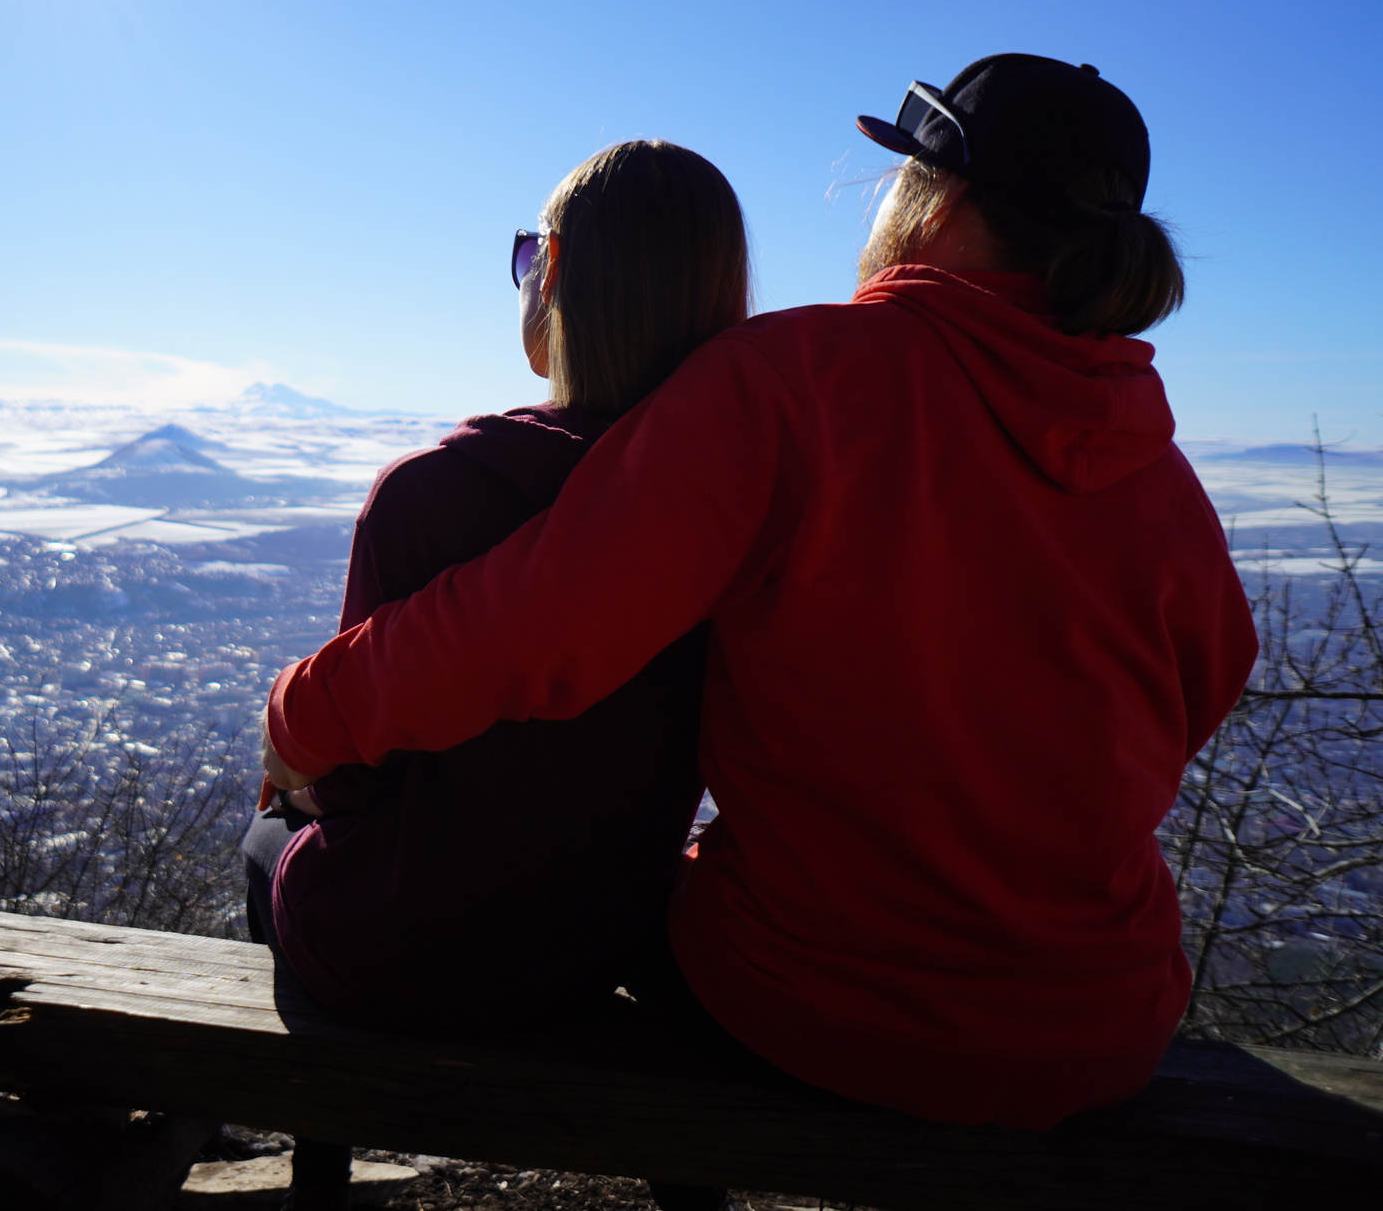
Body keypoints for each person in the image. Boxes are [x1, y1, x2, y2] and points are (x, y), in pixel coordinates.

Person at [261, 55, 1258, 1135]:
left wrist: (301, 716)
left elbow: (534, 626)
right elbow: (1212, 671)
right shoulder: (1150, 459)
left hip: (822, 1007)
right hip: (1107, 1026)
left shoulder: (805, 377)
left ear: (940, 198)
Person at [242, 139, 750, 1031]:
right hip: (601, 947)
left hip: (391, 955)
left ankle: (314, 1156)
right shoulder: (742, 511)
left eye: (528, 255)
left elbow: (359, 777)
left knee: (264, 843)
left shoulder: (434, 493)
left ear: (551, 271)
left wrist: (297, 786)